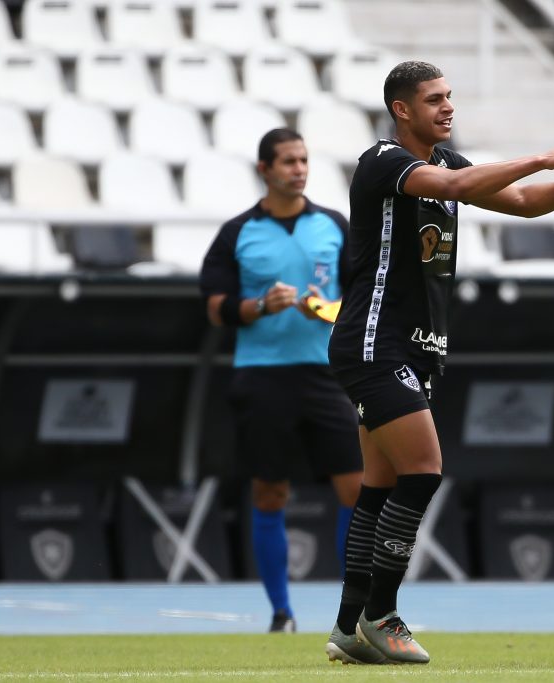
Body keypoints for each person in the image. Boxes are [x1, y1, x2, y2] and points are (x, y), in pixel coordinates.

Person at [323, 60, 554, 666]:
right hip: (374, 341)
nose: (447, 107)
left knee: (379, 486)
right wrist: (545, 157)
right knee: (423, 471)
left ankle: (347, 628)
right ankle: (381, 615)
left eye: (450, 97)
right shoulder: (385, 162)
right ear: (401, 110)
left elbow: (524, 203)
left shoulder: (445, 162)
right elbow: (460, 189)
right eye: (434, 99)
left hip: (411, 346)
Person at [199, 128, 362, 633]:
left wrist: (325, 309)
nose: (299, 169)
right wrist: (259, 306)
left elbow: (360, 300)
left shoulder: (333, 225)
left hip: (327, 374)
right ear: (264, 169)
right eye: (289, 161)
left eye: (304, 160)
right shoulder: (237, 232)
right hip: (262, 376)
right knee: (270, 492)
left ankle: (355, 613)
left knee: (357, 490)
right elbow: (216, 308)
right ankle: (281, 614)